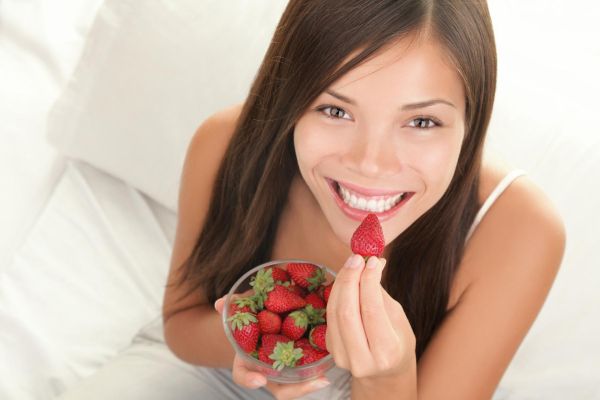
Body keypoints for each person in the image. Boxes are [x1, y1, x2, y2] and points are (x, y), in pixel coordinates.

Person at [59, 1, 565, 399]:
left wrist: (386, 376)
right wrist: (258, 340)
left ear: (471, 124)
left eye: (422, 121)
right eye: (334, 110)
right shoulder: (224, 144)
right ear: (292, 98)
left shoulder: (518, 229)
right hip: (217, 368)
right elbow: (182, 328)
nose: (371, 163)